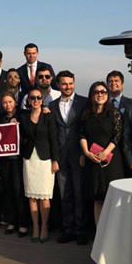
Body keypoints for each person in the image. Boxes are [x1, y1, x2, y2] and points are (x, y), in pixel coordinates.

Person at [48, 70, 88, 245]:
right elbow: (52, 133)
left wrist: (84, 153)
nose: (68, 86)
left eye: (70, 83)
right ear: (58, 85)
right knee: (65, 193)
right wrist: (54, 158)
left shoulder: (84, 103)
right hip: (60, 155)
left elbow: (87, 129)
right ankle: (68, 229)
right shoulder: (52, 105)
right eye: (64, 84)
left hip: (79, 154)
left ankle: (81, 230)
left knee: (79, 193)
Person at [80, 81, 124, 226]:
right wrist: (86, 152)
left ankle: (113, 233)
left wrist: (105, 152)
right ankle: (99, 234)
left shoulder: (114, 113)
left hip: (111, 160)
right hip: (93, 160)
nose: (100, 94)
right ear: (91, 94)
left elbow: (117, 135)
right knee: (97, 198)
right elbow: (81, 134)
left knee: (111, 197)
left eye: (103, 92)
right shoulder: (86, 113)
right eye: (96, 92)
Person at [20, 89, 59, 242]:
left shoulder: (48, 116)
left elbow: (54, 139)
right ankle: (35, 227)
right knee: (32, 197)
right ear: (28, 100)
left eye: (38, 97)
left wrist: (55, 160)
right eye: (32, 98)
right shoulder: (23, 117)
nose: (35, 100)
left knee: (44, 196)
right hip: (29, 159)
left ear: (42, 100)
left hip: (45, 159)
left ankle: (44, 227)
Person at [0, 91, 29, 237]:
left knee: (18, 191)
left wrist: (18, 128)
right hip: (5, 160)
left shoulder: (22, 116)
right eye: (5, 102)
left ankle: (23, 223)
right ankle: (12, 221)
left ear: (15, 102)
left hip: (18, 160)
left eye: (10, 102)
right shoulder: (1, 118)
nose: (7, 105)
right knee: (8, 190)